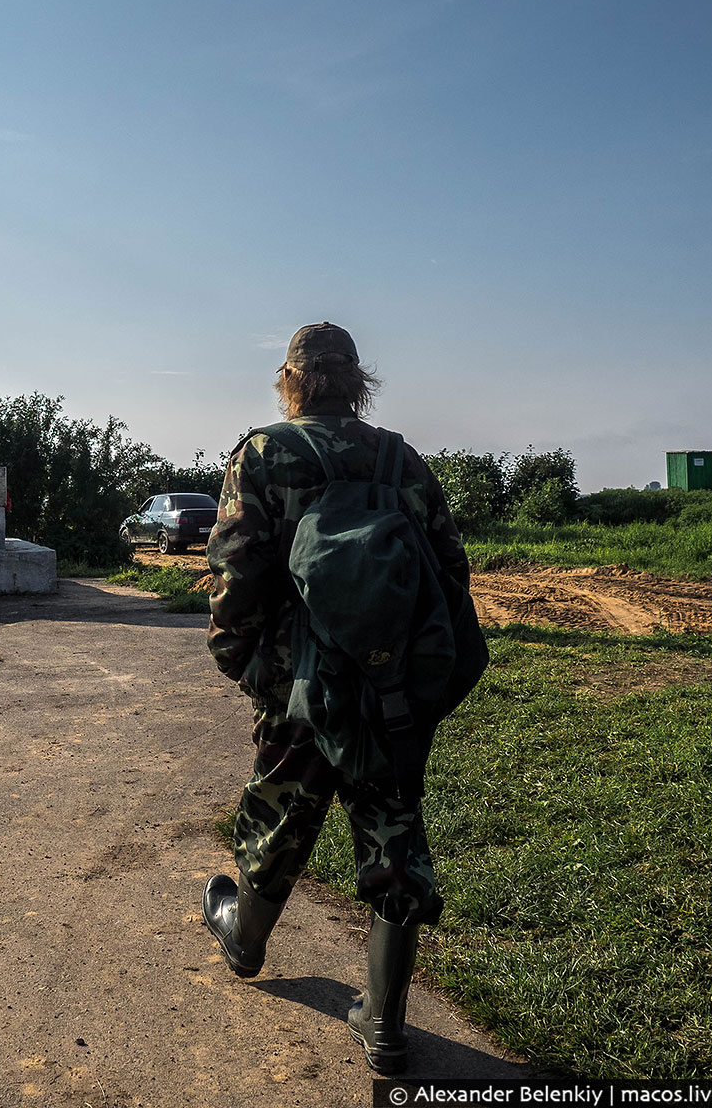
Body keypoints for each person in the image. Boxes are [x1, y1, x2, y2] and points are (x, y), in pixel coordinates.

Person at [201, 321, 476, 1075]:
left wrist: (247, 666)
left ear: (291, 380)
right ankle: (383, 1024)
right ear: (359, 382)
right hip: (391, 691)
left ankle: (244, 937)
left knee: (280, 813)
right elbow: (450, 573)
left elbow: (235, 578)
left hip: (300, 688)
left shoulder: (262, 453)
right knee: (394, 836)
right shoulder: (401, 460)